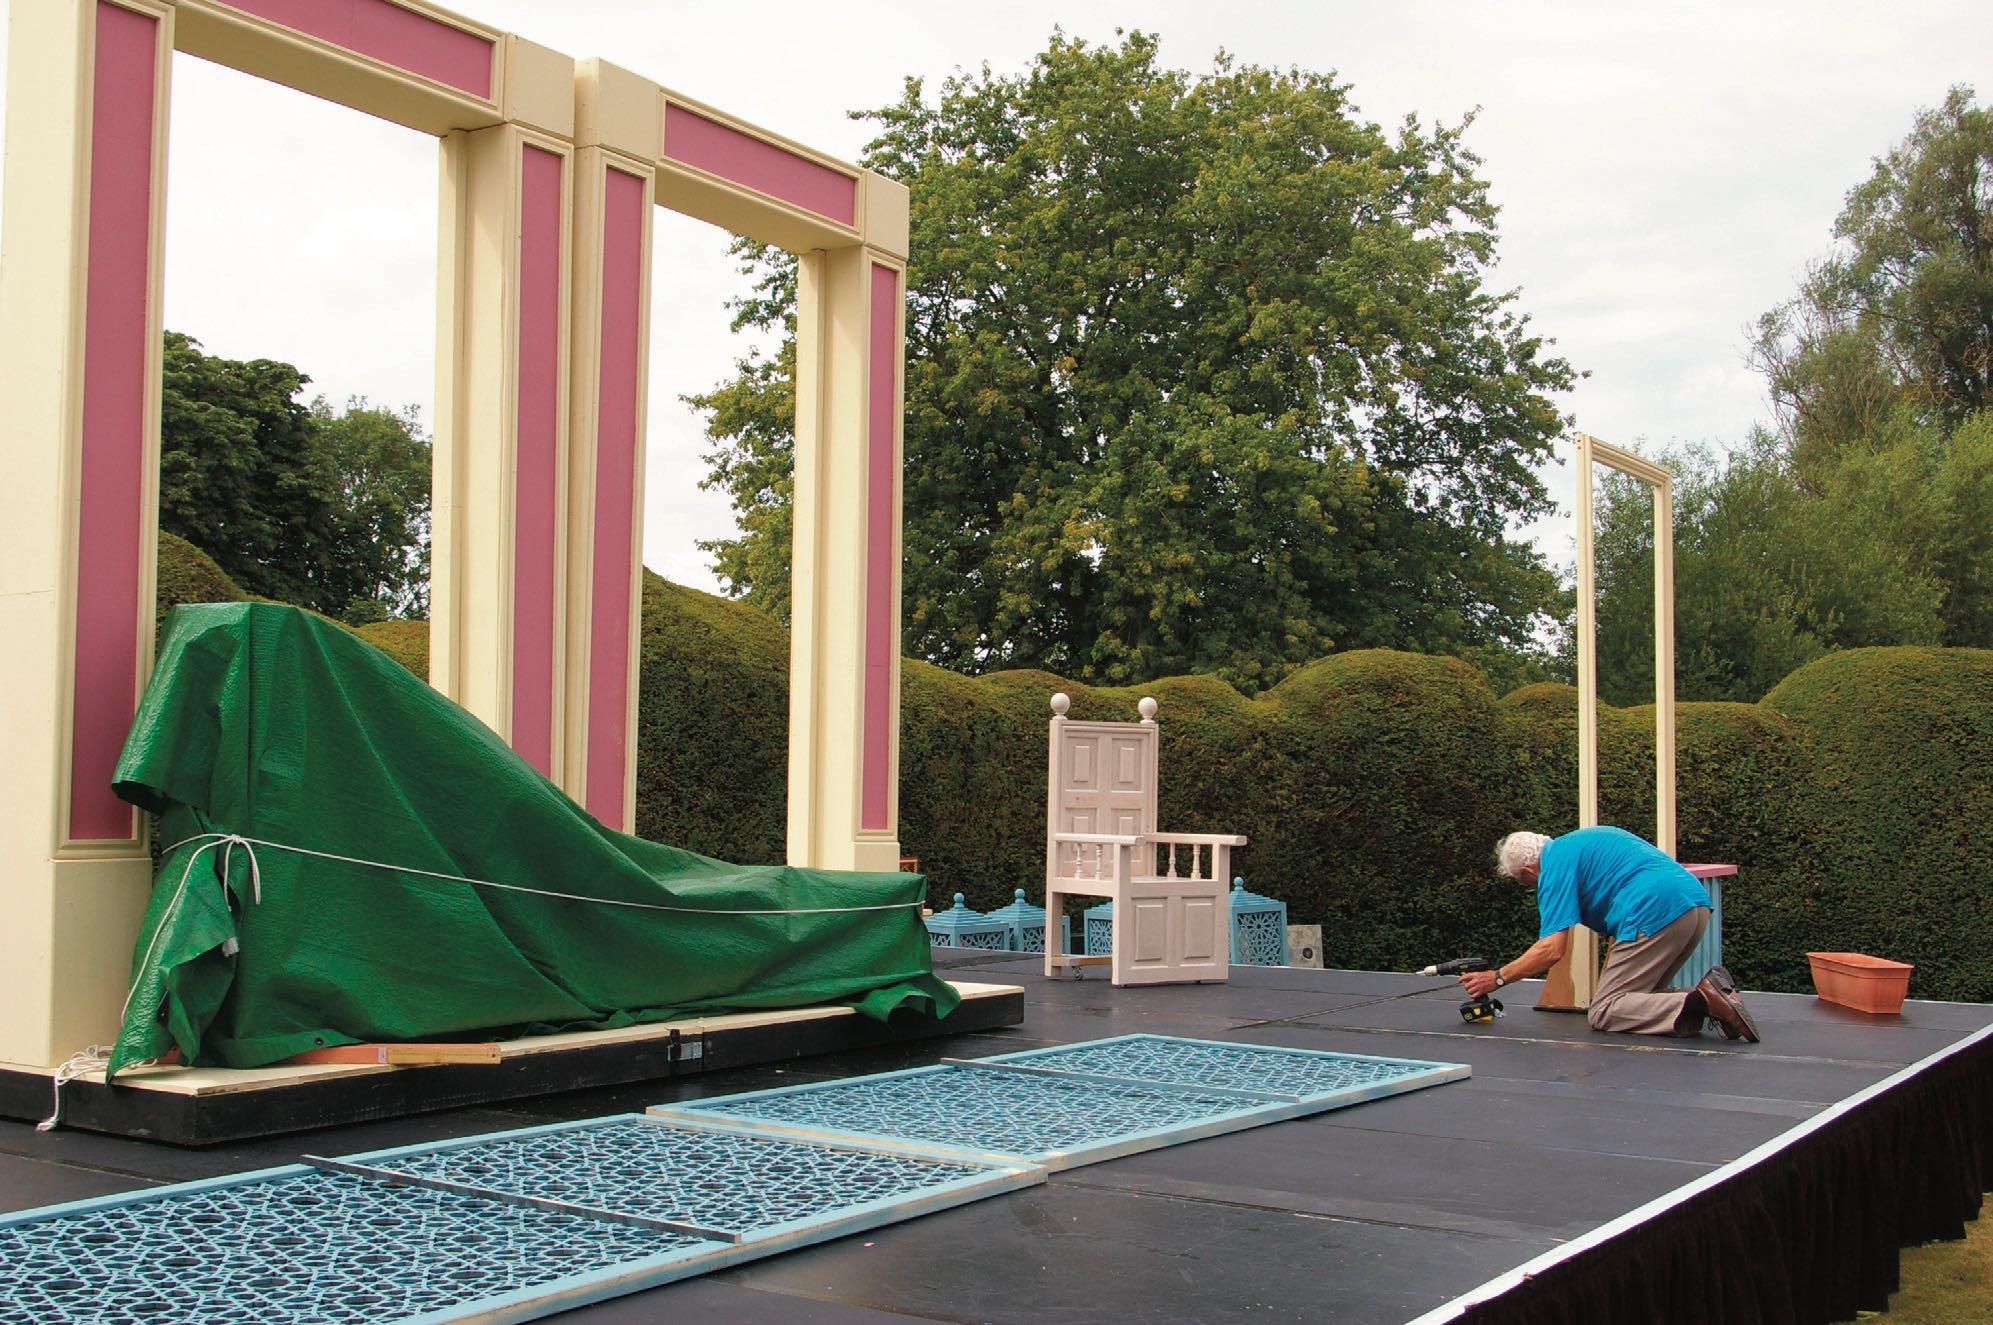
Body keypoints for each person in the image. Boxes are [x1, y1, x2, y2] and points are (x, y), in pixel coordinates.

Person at [1463, 826, 1760, 1041]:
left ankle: (1707, 1001)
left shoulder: (1552, 869)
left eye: (1525, 883)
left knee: (1605, 1010)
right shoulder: (1584, 841)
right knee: (1640, 1000)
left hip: (1653, 909)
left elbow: (1551, 949)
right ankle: (1721, 999)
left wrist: (1497, 977)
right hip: (1694, 905)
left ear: (1528, 872)